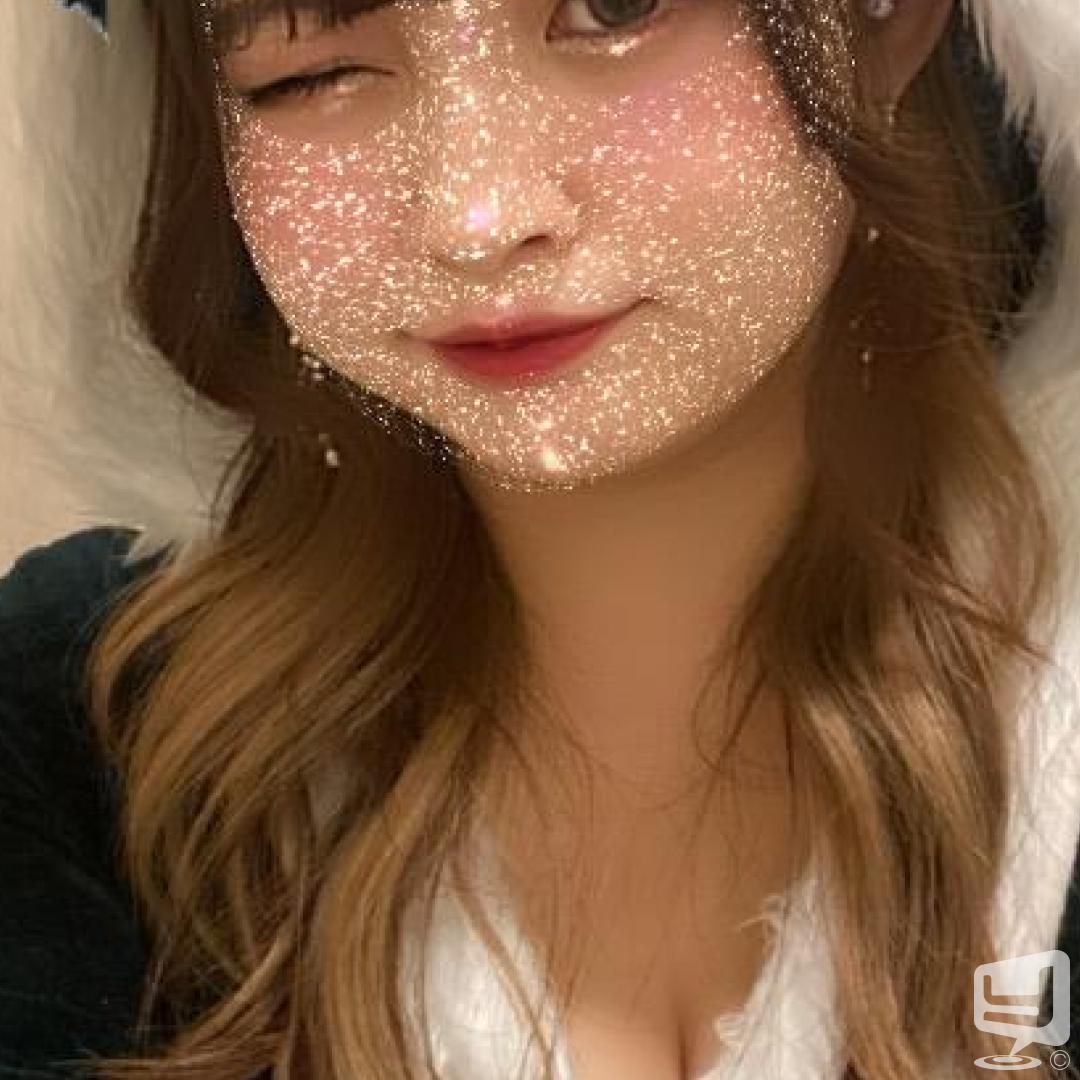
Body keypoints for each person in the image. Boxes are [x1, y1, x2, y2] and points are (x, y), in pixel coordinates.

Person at [2, 0, 1079, 1077]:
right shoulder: (76, 722)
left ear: (889, 23)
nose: (477, 218)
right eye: (307, 71)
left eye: (612, 10)